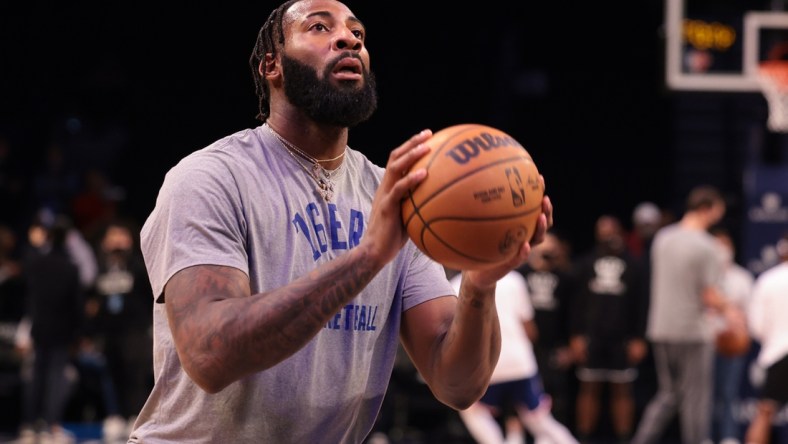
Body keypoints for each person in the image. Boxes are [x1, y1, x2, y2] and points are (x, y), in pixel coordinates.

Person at [130, 1, 553, 443]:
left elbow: (457, 385)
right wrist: (368, 257)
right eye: (318, 27)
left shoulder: (399, 196)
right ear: (271, 66)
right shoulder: (210, 178)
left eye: (358, 34)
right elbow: (209, 356)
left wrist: (480, 282)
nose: (349, 38)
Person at [631, 185, 737, 444]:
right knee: (696, 399)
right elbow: (710, 295)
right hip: (692, 331)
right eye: (717, 212)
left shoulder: (662, 238)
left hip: (661, 328)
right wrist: (733, 312)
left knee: (668, 394)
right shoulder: (708, 246)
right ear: (707, 209)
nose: (718, 218)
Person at [450, 270, 579, 444]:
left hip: (485, 367)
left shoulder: (455, 285)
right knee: (541, 421)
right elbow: (530, 330)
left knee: (472, 412)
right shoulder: (513, 279)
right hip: (519, 362)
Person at [569, 215, 648, 444]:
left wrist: (639, 338)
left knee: (622, 390)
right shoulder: (585, 263)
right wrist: (575, 335)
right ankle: (583, 437)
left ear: (619, 231)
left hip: (622, 338)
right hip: (591, 336)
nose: (606, 234)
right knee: (589, 388)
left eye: (610, 229)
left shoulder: (634, 264)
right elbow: (577, 303)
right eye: (601, 230)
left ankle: (624, 438)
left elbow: (642, 303)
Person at [515, 230, 576, 429]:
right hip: (524, 347)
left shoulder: (565, 278)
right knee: (522, 400)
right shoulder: (519, 276)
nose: (547, 253)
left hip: (554, 346)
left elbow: (572, 314)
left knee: (555, 400)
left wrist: (570, 348)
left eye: (551, 249)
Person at [708, 225, 754, 444]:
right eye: (717, 246)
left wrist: (738, 327)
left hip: (733, 342)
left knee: (729, 392)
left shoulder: (742, 278)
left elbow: (750, 313)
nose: (722, 250)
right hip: (706, 342)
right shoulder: (704, 279)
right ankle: (704, 436)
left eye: (726, 245)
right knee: (705, 393)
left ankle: (728, 437)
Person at [744, 232, 788, 444]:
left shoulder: (767, 280)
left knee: (764, 413)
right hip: (777, 352)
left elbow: (756, 326)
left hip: (776, 354)